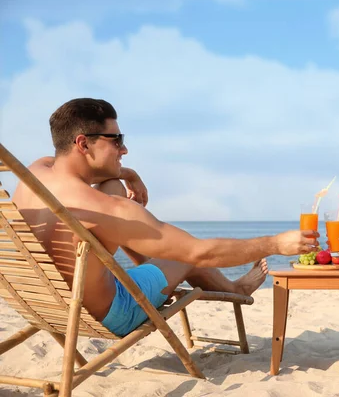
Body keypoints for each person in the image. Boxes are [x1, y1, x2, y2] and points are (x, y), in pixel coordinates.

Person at [12, 98, 320, 336]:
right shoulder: (111, 211)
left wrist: (126, 175)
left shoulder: (34, 172)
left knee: (112, 185)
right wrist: (275, 242)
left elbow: (80, 176)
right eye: (116, 140)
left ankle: (150, 266)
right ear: (83, 143)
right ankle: (236, 289)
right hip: (108, 312)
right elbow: (202, 251)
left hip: (44, 305)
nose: (125, 149)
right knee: (186, 254)